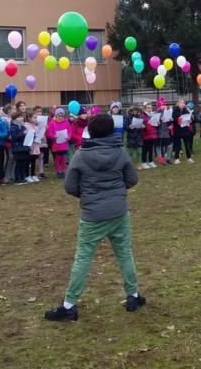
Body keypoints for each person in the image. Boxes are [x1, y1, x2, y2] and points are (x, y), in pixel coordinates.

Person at [44, 114, 145, 321]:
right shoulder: (116, 152)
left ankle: (70, 305)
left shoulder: (83, 156)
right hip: (115, 211)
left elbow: (71, 186)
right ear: (111, 131)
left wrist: (91, 196)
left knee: (83, 258)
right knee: (124, 253)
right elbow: (131, 179)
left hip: (95, 215)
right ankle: (132, 294)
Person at [47, 108, 73, 178]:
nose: (60, 117)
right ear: (56, 115)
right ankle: (58, 171)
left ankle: (63, 170)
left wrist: (68, 137)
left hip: (64, 143)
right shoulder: (52, 123)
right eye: (59, 115)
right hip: (56, 144)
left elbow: (70, 131)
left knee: (63, 158)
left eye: (62, 116)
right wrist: (54, 136)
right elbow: (49, 133)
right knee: (57, 158)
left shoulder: (66, 122)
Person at [10, 112, 32, 185]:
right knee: (18, 164)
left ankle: (23, 177)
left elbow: (26, 137)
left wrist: (31, 134)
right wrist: (23, 133)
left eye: (22, 117)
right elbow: (14, 137)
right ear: (14, 119)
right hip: (17, 149)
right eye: (19, 117)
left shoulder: (23, 126)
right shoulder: (13, 127)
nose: (21, 118)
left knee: (24, 163)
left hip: (25, 148)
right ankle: (17, 178)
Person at [171, 99, 194, 164]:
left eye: (183, 103)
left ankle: (189, 158)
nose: (182, 104)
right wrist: (178, 119)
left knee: (187, 145)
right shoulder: (174, 110)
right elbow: (173, 119)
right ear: (178, 103)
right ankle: (177, 158)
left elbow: (190, 119)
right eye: (180, 103)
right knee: (177, 145)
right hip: (177, 130)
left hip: (185, 130)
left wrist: (190, 120)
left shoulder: (186, 110)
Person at [141, 103, 158, 169]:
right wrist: (146, 124)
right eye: (148, 108)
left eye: (150, 108)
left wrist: (157, 123)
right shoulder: (142, 116)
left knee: (151, 149)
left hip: (152, 134)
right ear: (145, 108)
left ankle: (151, 161)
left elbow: (155, 125)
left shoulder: (154, 115)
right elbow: (142, 125)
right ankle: (144, 162)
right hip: (145, 135)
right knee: (145, 149)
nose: (149, 109)